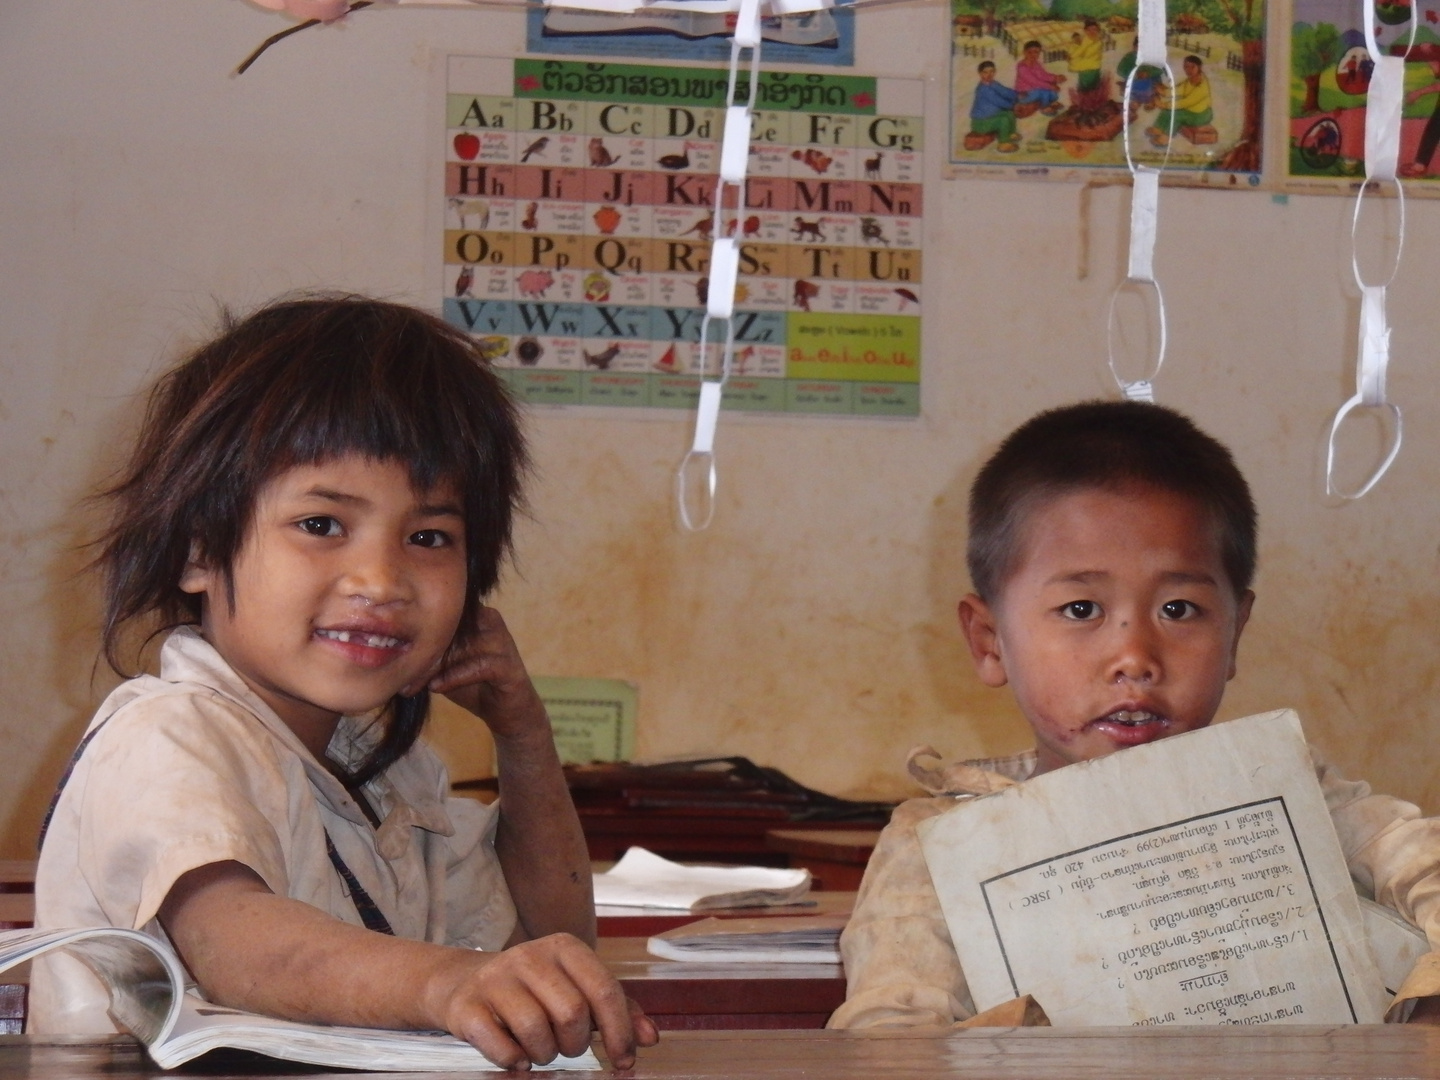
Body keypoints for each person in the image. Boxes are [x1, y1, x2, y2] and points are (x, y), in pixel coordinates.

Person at [29, 295, 660, 1070]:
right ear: (197, 552)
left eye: (429, 537)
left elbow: (546, 943)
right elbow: (237, 945)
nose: (381, 579)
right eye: (322, 525)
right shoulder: (167, 733)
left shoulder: (390, 771)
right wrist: (445, 984)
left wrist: (523, 735)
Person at [827, 400, 1440, 1030]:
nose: (1134, 658)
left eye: (1179, 610)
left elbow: (1423, 861)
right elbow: (888, 1035)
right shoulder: (936, 846)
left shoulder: (1286, 794)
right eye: (1081, 610)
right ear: (989, 641)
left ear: (1235, 633)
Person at [1148, 55, 1212, 147]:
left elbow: (1186, 102)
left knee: (1177, 116)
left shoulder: (1202, 86)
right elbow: (1179, 90)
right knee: (1168, 110)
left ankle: (1166, 138)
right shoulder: (1190, 80)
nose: (1189, 70)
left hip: (1201, 114)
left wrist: (1164, 105)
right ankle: (1159, 128)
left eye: (1192, 67)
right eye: (1186, 67)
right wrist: (1164, 92)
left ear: (1200, 67)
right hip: (1189, 110)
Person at [968, 61, 1020, 153]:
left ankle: (1010, 133)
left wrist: (1016, 95)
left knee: (1009, 114)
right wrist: (1013, 105)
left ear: (995, 72)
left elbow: (1005, 92)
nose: (989, 74)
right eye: (985, 72)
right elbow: (999, 102)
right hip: (980, 123)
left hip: (990, 117)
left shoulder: (993, 83)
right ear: (980, 73)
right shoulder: (983, 89)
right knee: (1003, 120)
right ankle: (1003, 144)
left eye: (992, 71)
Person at [1014, 40, 1065, 115]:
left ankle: (1052, 102)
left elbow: (1043, 75)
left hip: (1035, 91)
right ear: (1024, 52)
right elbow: (1034, 82)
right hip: (1025, 94)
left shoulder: (1036, 64)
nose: (1033, 55)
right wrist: (1050, 86)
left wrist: (1056, 78)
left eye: (1036, 52)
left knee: (1052, 88)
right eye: (1030, 52)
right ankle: (1044, 107)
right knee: (1044, 90)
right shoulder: (1022, 67)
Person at [1067, 19, 1104, 95]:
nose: (1092, 32)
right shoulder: (1085, 41)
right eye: (1089, 30)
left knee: (1095, 89)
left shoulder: (1098, 42)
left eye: (1094, 30)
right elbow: (1079, 52)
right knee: (1085, 90)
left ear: (1098, 31)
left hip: (1095, 68)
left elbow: (1095, 55)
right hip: (1085, 69)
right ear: (1085, 31)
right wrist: (1071, 56)